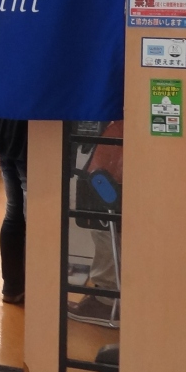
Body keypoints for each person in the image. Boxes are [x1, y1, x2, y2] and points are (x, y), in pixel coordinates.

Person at [67, 120, 123, 327]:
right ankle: (108, 295)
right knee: (110, 234)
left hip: (112, 180)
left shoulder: (122, 123)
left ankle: (106, 300)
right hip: (112, 173)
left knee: (108, 233)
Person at [0, 117, 28, 304]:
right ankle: (40, 288)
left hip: (4, 131)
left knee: (14, 213)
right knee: (34, 217)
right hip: (30, 136)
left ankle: (12, 288)